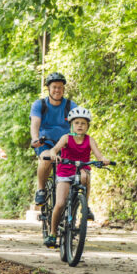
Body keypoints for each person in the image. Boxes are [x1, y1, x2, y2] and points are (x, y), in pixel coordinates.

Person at [42, 106, 109, 247]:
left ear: (87, 126)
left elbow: (98, 154)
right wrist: (53, 154)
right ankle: (53, 234)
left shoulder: (90, 140)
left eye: (83, 123)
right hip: (65, 171)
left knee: (86, 176)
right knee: (60, 203)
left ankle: (85, 205)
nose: (80, 126)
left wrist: (103, 159)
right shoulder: (66, 138)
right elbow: (55, 149)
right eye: (77, 123)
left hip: (81, 169)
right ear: (72, 125)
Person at [30, 72, 77, 205]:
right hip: (45, 142)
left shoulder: (70, 105)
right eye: (54, 87)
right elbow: (35, 123)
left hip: (65, 143)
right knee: (46, 159)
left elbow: (79, 123)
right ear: (49, 89)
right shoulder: (39, 105)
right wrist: (35, 139)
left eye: (60, 87)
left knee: (78, 165)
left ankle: (78, 200)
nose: (57, 90)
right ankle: (41, 189)